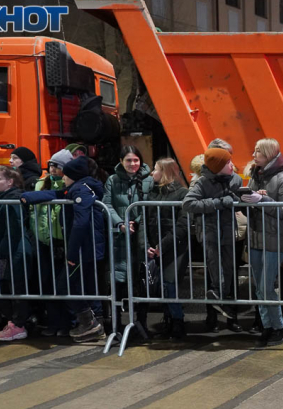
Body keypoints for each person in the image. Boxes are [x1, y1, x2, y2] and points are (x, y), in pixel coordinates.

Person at [21, 156, 107, 342]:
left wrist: (72, 253)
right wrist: (28, 197)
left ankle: (90, 324)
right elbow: (58, 194)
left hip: (82, 249)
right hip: (88, 248)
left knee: (64, 286)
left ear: (73, 176)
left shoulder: (80, 191)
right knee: (87, 286)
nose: (63, 178)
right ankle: (95, 325)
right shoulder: (82, 187)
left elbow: (80, 223)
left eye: (65, 175)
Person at [242, 138, 283, 348]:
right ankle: (268, 326)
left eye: (258, 152)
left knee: (266, 288)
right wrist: (246, 200)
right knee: (259, 288)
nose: (254, 155)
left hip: (274, 241)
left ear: (268, 155)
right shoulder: (255, 177)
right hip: (256, 237)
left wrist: (263, 200)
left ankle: (279, 328)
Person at [182, 147, 243, 333]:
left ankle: (229, 312)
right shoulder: (202, 183)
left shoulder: (236, 179)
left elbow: (240, 198)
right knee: (215, 271)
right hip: (211, 233)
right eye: (227, 163)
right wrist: (218, 203)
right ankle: (214, 309)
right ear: (217, 167)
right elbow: (189, 204)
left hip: (229, 232)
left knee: (230, 271)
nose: (232, 165)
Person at [103, 145, 153, 328]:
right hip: (119, 238)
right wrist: (121, 223)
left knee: (141, 281)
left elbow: (150, 206)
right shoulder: (112, 180)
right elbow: (107, 204)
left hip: (141, 236)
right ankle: (117, 324)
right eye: (128, 160)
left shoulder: (149, 180)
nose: (133, 164)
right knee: (118, 280)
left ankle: (141, 323)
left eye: (136, 160)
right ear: (121, 161)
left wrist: (137, 222)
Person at [146, 158, 190, 340]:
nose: (152, 173)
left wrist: (161, 246)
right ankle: (169, 320)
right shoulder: (152, 193)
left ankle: (178, 322)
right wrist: (149, 245)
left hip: (174, 247)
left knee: (170, 285)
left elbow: (182, 225)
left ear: (164, 172)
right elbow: (146, 221)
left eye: (155, 169)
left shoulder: (182, 194)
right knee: (162, 285)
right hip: (157, 246)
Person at [31, 149, 74, 336]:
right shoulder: (41, 184)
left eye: (57, 166)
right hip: (44, 241)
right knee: (47, 283)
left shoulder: (69, 186)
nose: (53, 169)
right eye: (51, 165)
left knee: (63, 284)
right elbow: (34, 213)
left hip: (61, 241)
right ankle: (54, 322)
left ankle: (67, 323)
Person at [0, 166, 34, 341]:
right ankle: (15, 322)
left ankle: (18, 324)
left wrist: (0, 252)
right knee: (0, 290)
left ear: (10, 181)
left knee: (14, 291)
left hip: (13, 253)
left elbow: (13, 230)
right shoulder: (3, 199)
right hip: (7, 252)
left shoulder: (12, 200)